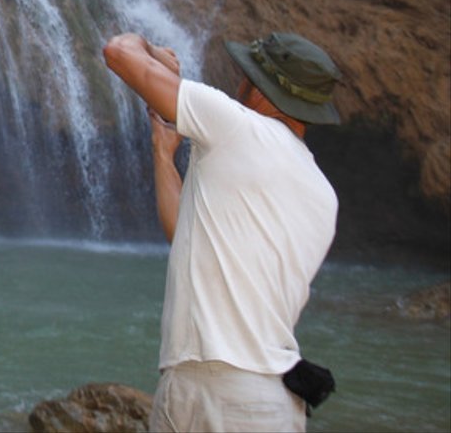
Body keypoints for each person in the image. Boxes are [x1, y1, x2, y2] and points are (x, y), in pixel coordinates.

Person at [102, 30, 342, 433]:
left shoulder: (235, 125)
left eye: (245, 76)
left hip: (207, 392)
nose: (239, 84)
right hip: (275, 400)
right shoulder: (324, 194)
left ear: (261, 90)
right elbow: (186, 238)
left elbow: (118, 52)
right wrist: (164, 155)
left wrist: (154, 52)